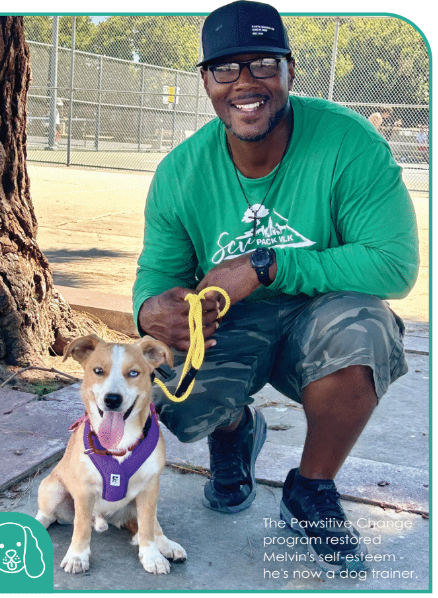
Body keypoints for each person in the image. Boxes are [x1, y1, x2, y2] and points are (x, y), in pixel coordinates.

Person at [133, 0, 419, 573]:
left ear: (291, 70)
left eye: (263, 63)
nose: (245, 83)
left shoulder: (349, 143)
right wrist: (150, 312)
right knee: (164, 393)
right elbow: (157, 275)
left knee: (363, 332)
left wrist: (268, 267)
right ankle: (237, 430)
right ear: (206, 81)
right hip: (233, 326)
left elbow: (394, 265)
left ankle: (310, 489)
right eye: (226, 69)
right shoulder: (180, 172)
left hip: (320, 316)